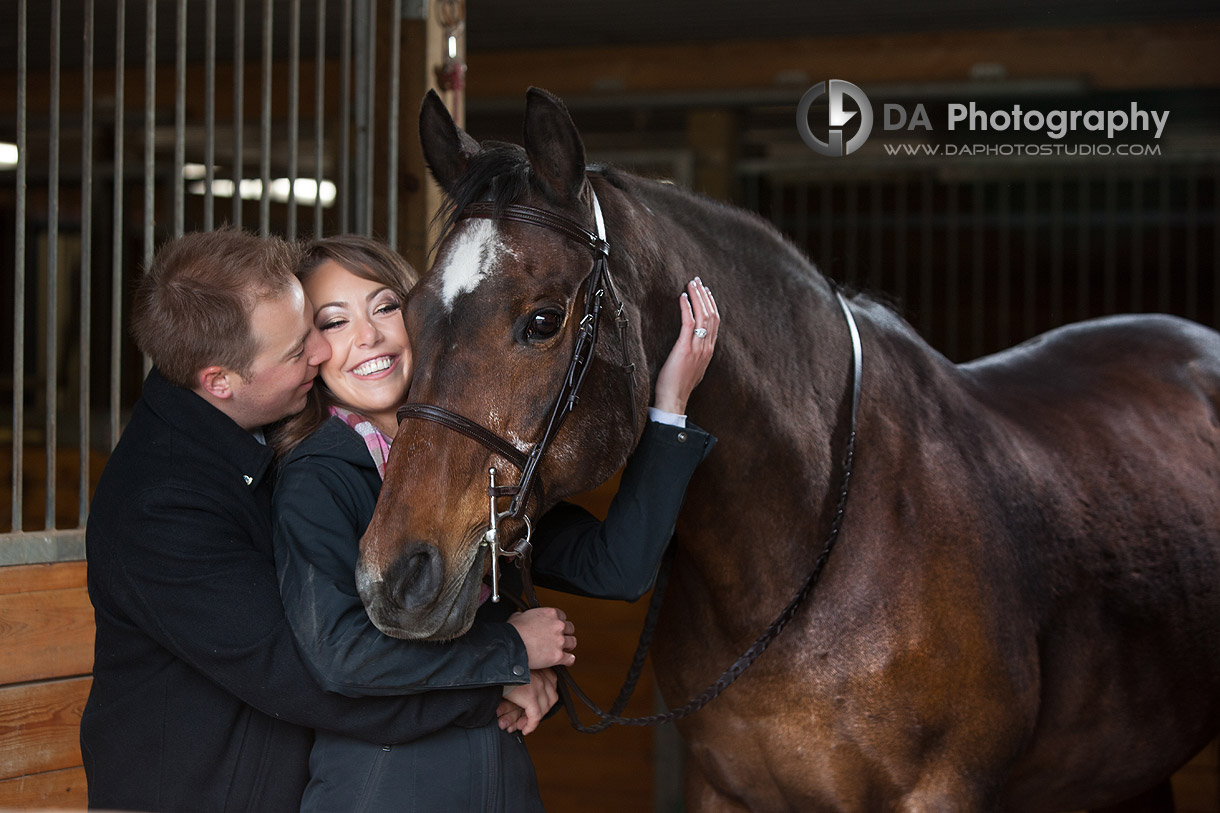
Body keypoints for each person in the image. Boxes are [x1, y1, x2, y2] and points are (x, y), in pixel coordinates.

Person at [81, 229, 527, 812]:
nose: (320, 354)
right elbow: (306, 678)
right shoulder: (161, 508)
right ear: (219, 381)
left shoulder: (254, 429)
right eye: (297, 351)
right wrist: (495, 679)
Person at [269, 234, 719, 811]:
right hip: (384, 791)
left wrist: (669, 404)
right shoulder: (319, 476)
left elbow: (617, 567)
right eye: (333, 322)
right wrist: (507, 653)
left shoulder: (473, 461)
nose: (368, 336)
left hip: (500, 785)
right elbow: (340, 655)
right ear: (310, 351)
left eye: (384, 307)